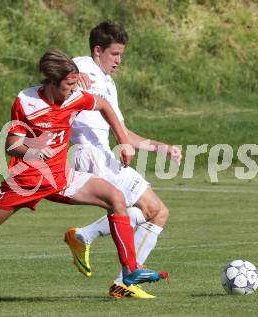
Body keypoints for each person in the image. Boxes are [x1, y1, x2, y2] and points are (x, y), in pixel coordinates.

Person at [0, 48, 168, 290]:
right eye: (68, 85)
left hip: (62, 178)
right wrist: (32, 151)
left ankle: (130, 270)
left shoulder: (74, 97)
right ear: (52, 83)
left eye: (75, 83)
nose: (73, 89)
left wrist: (123, 141)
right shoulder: (27, 102)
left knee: (116, 198)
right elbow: (11, 145)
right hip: (27, 180)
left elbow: (104, 105)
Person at [63, 22, 182, 298]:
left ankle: (84, 237)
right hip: (90, 155)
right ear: (97, 51)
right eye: (114, 54)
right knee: (157, 211)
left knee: (151, 213)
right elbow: (58, 69)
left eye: (121, 55)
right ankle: (125, 281)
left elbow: (123, 132)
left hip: (104, 155)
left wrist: (160, 147)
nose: (119, 61)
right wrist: (72, 75)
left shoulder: (109, 84)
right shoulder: (83, 65)